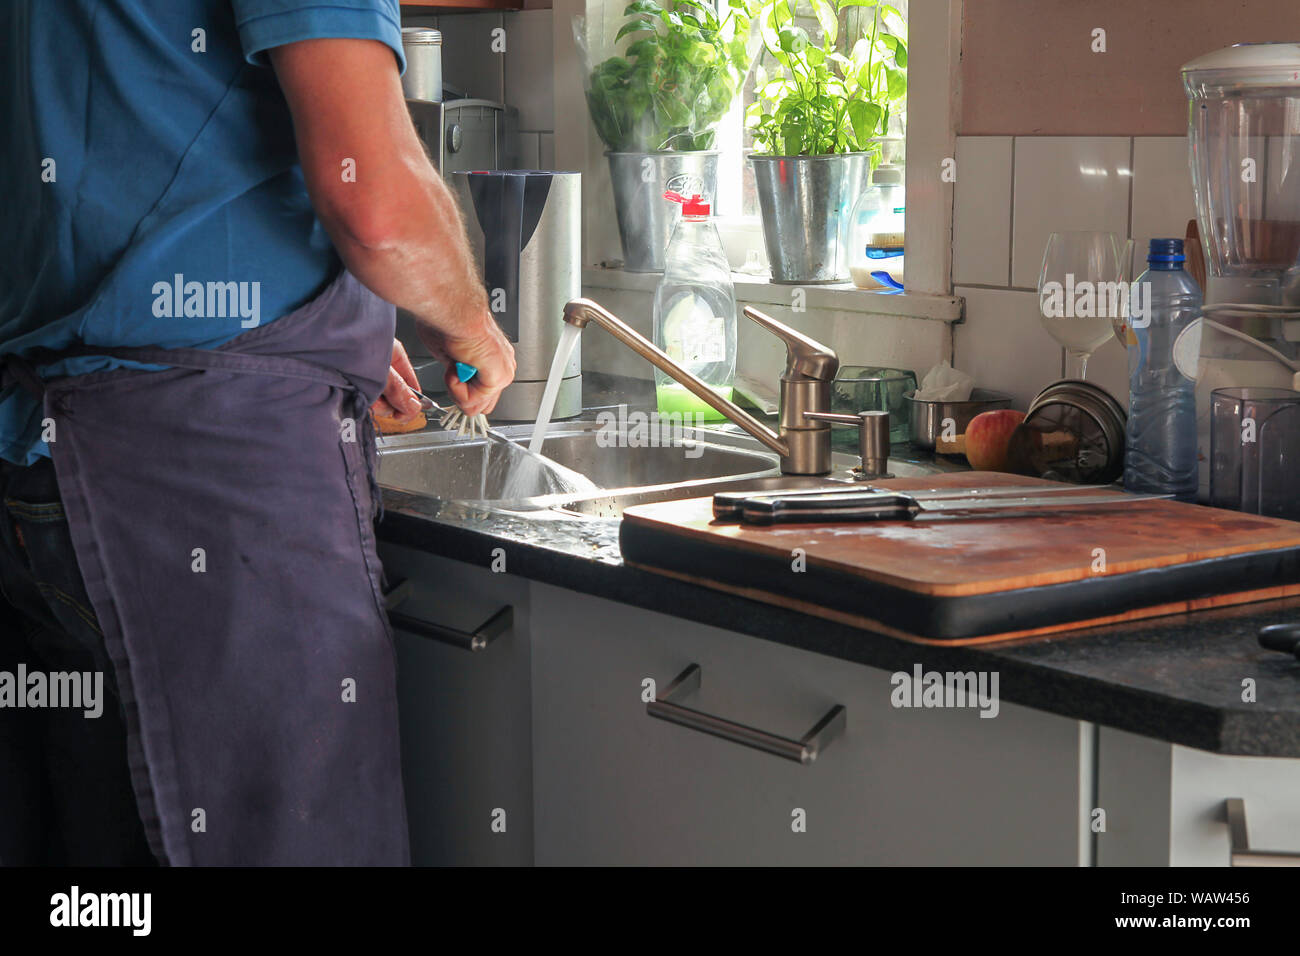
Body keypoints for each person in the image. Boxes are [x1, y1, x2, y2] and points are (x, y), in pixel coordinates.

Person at [0, 0, 515, 865]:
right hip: (204, 483)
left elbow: (127, 148)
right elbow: (375, 203)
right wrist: (468, 319)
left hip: (46, 462)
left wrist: (341, 322)